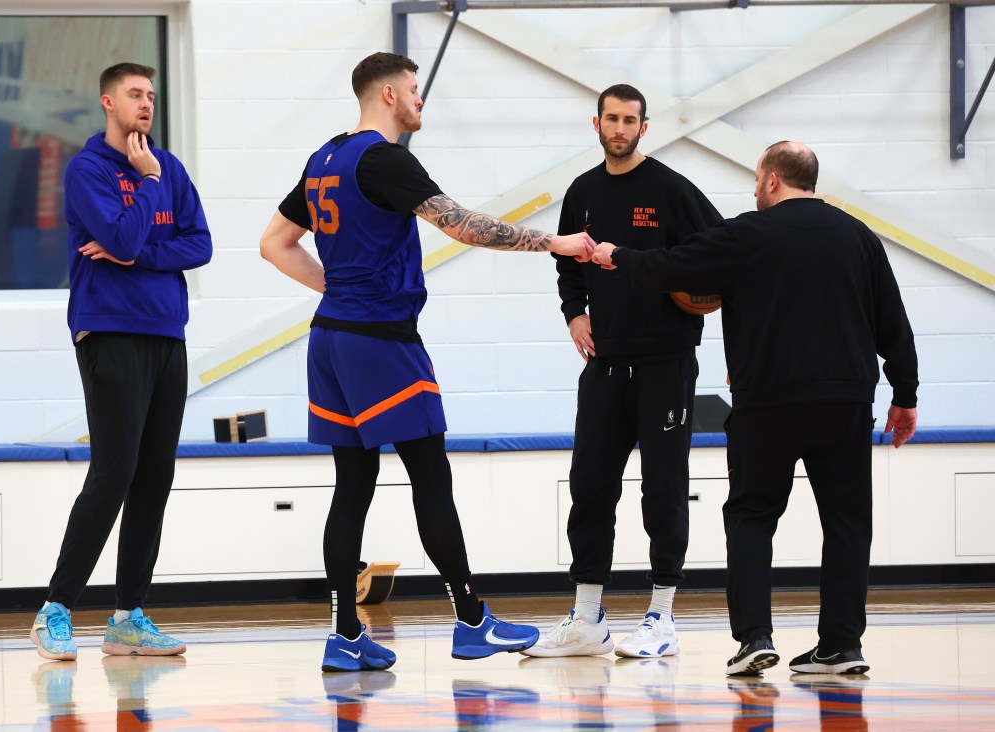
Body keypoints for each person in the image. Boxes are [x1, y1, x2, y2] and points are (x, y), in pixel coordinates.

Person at [259, 51, 595, 673]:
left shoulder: (322, 159)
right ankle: (472, 622)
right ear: (387, 95)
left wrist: (338, 290)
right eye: (414, 90)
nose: (420, 100)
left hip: (330, 337)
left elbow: (273, 244)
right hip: (380, 341)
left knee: (351, 487)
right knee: (429, 476)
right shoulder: (385, 159)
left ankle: (345, 635)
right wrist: (556, 241)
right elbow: (463, 226)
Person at [591, 141, 918, 675]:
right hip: (847, 402)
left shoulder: (749, 232)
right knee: (847, 524)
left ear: (770, 180)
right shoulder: (858, 236)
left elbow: (674, 266)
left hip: (768, 403)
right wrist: (905, 394)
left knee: (751, 515)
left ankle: (754, 639)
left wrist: (615, 256)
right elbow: (894, 323)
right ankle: (841, 646)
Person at [524, 84, 722, 659]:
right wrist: (575, 313)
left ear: (643, 126)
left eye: (629, 119)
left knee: (663, 489)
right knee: (589, 486)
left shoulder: (671, 190)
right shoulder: (581, 192)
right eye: (611, 118)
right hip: (605, 361)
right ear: (596, 123)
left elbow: (716, 254)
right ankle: (587, 617)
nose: (619, 127)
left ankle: (661, 616)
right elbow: (567, 265)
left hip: (666, 359)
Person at [30, 62, 212, 661]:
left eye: (152, 96)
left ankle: (128, 617)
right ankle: (55, 609)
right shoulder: (89, 170)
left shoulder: (169, 168)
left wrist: (136, 254)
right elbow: (132, 238)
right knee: (115, 470)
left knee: (155, 474)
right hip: (108, 329)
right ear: (107, 101)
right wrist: (148, 186)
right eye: (135, 95)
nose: (146, 104)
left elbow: (200, 245)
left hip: (167, 331)